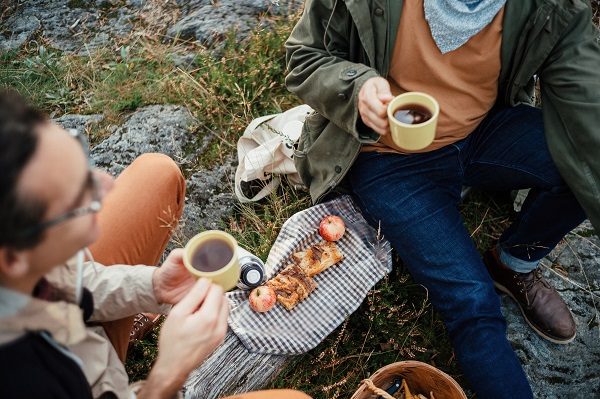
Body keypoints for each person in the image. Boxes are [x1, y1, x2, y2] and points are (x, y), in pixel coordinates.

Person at [285, 0, 600, 397]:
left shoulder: (551, 7)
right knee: (472, 302)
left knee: (579, 168)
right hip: (389, 159)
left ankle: (512, 262)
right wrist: (355, 87)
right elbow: (302, 56)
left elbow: (591, 118)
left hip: (483, 131)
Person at [0, 90, 311, 399]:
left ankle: (121, 330)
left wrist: (151, 286)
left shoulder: (19, 264)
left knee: (156, 174)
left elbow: (66, 277)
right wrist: (167, 375)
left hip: (80, 335)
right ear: (13, 258)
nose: (107, 184)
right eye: (74, 198)